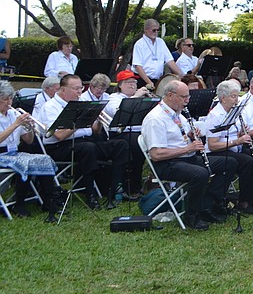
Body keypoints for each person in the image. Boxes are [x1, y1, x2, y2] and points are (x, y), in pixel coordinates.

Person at [141, 80, 236, 230]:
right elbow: (156, 154)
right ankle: (192, 215)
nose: (187, 100)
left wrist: (191, 135)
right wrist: (187, 149)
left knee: (229, 162)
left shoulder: (178, 113)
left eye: (188, 96)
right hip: (167, 164)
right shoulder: (156, 118)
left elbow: (181, 137)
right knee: (200, 174)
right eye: (184, 97)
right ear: (170, 95)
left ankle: (209, 205)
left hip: (186, 158)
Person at [39, 75, 129, 210]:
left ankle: (114, 189)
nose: (79, 92)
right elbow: (59, 135)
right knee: (88, 148)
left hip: (85, 142)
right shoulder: (50, 107)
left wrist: (97, 119)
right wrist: (80, 121)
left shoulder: (80, 102)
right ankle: (90, 194)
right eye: (75, 89)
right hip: (60, 147)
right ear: (63, 89)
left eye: (81, 88)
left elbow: (95, 131)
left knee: (120, 145)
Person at [202, 80, 253, 214]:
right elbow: (213, 145)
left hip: (233, 148)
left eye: (237, 96)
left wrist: (241, 133)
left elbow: (234, 134)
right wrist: (238, 141)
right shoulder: (215, 115)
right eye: (233, 96)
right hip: (218, 152)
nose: (237, 100)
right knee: (247, 162)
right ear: (223, 98)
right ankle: (244, 201)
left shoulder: (234, 112)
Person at [0, 81, 58, 218]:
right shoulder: (14, 119)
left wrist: (29, 128)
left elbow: (29, 140)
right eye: (5, 99)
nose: (9, 102)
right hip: (2, 153)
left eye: (11, 98)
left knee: (44, 159)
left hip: (14, 153)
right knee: (25, 163)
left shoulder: (13, 114)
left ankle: (49, 200)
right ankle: (19, 203)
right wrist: (15, 125)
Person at [102, 70, 151, 199]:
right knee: (136, 143)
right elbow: (116, 111)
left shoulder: (140, 97)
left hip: (138, 132)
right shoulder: (113, 98)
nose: (132, 85)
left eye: (134, 82)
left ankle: (152, 181)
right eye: (128, 82)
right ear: (120, 85)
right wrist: (135, 98)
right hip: (120, 133)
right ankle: (132, 186)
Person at [132, 19, 182, 89]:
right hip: (142, 79)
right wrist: (148, 82)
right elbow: (138, 66)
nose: (156, 32)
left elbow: (170, 61)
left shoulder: (161, 42)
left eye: (158, 30)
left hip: (158, 80)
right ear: (146, 30)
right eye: (154, 30)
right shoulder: (139, 44)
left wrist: (181, 75)